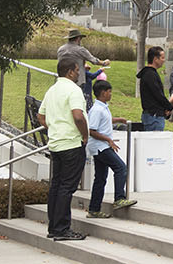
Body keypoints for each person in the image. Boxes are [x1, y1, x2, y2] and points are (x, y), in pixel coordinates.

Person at [38, 57, 89, 241]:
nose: (78, 73)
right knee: (67, 187)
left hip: (56, 144)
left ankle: (54, 227)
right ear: (69, 72)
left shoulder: (52, 90)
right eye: (77, 70)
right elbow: (78, 116)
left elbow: (41, 116)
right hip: (72, 144)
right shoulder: (73, 90)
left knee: (57, 186)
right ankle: (62, 229)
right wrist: (84, 135)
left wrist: (55, 127)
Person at [86, 80, 137, 218]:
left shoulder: (102, 107)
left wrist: (118, 119)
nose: (111, 94)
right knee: (120, 167)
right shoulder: (97, 110)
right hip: (100, 147)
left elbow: (105, 120)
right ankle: (119, 198)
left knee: (100, 178)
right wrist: (108, 140)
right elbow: (91, 130)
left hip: (101, 146)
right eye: (109, 91)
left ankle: (94, 209)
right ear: (103, 93)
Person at [57, 28, 110, 109]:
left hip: (62, 80)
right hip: (77, 81)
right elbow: (94, 60)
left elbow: (67, 62)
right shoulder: (80, 50)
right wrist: (104, 63)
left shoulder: (61, 49)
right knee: (76, 104)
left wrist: (83, 65)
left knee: (64, 103)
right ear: (78, 38)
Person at [137, 46, 172, 131]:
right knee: (154, 142)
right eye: (162, 58)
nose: (164, 60)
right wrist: (169, 107)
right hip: (153, 117)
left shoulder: (151, 73)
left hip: (156, 115)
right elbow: (158, 94)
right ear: (155, 59)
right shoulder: (150, 74)